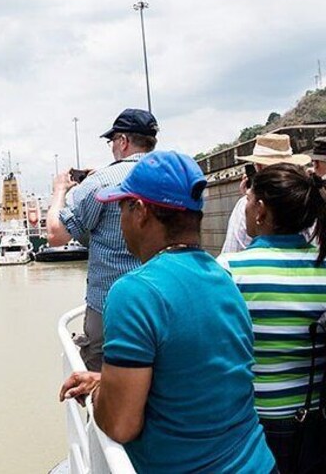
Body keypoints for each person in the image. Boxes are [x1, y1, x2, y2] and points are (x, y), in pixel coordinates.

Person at [59, 150, 275, 473]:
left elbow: (120, 425)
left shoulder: (134, 293)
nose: (120, 218)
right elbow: (192, 376)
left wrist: (99, 395)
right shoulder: (224, 279)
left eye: (121, 206)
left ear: (141, 211)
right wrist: (109, 382)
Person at [218, 164, 326, 473]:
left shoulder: (229, 271)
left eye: (249, 199)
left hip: (250, 424)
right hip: (313, 426)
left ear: (261, 210)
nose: (247, 206)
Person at [46, 108, 157, 371]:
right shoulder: (171, 177)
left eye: (112, 142)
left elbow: (55, 235)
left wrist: (59, 192)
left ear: (123, 141)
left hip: (109, 307)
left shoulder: (101, 183)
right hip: (162, 300)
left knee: (100, 377)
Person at [221, 133, 310, 254]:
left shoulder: (247, 205)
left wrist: (248, 198)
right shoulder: (307, 198)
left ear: (258, 166)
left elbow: (232, 253)